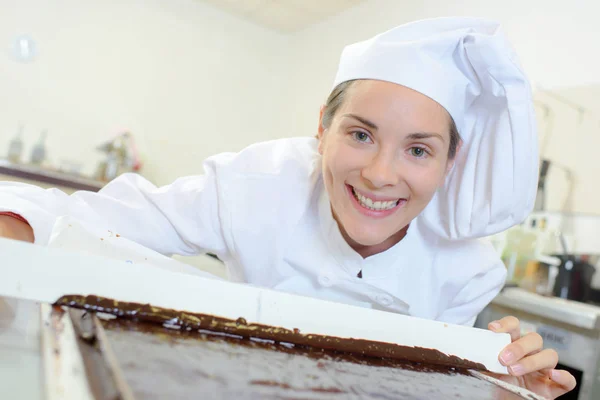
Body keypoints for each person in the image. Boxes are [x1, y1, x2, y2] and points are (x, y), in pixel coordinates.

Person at [0, 17, 575, 398]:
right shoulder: (257, 185)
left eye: (419, 149)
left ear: (450, 163)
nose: (379, 174)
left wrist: (502, 385)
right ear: (321, 129)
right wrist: (18, 227)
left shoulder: (468, 269)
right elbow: (104, 218)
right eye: (360, 134)